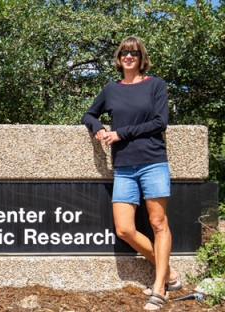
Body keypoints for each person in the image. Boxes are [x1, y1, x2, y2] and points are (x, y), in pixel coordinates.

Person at [81, 36, 181, 311]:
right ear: (118, 57)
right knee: (125, 229)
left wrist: (120, 133)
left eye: (134, 53)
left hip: (153, 162)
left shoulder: (155, 84)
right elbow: (88, 114)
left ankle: (159, 288)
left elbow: (160, 121)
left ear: (141, 57)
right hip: (124, 166)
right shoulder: (111, 89)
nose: (128, 56)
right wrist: (98, 127)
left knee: (159, 223)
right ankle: (170, 274)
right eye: (124, 52)